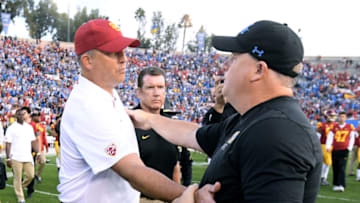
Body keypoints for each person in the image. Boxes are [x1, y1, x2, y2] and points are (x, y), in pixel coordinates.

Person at [128, 20, 322, 202]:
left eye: (234, 59)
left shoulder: (276, 132)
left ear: (258, 70)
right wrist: (147, 118)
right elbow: (193, 134)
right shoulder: (254, 119)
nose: (225, 67)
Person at [57, 19, 218, 203]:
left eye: (124, 51)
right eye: (114, 53)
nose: (124, 58)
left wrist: (147, 119)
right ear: (88, 61)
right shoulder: (87, 105)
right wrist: (193, 196)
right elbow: (133, 171)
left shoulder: (105, 93)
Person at [134, 67, 183, 202]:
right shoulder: (128, 124)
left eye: (160, 87)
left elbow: (176, 166)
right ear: (139, 93)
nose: (156, 93)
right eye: (150, 87)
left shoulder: (171, 124)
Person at [4, 108, 39, 203]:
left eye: (23, 114)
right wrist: (8, 158)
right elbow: (8, 144)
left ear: (25, 116)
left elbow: (33, 141)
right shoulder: (11, 128)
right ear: (16, 116)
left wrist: (38, 152)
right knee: (17, 178)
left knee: (31, 175)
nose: (21, 116)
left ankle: (20, 187)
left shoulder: (29, 127)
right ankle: (21, 198)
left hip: (28, 156)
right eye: (19, 114)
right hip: (15, 157)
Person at [326, 111, 356, 192]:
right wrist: (328, 146)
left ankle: (341, 184)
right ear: (338, 117)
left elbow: (352, 138)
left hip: (344, 150)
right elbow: (330, 137)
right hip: (335, 149)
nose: (341, 118)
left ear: (345, 118)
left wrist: (349, 148)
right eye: (340, 116)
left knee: (342, 168)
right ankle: (336, 184)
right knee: (335, 167)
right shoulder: (334, 127)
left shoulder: (350, 126)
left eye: (343, 116)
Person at [316, 110, 337, 186]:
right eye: (331, 115)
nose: (333, 117)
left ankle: (323, 177)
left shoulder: (335, 124)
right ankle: (322, 178)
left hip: (333, 145)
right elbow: (317, 135)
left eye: (333, 115)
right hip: (324, 145)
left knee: (328, 163)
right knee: (328, 162)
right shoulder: (321, 124)